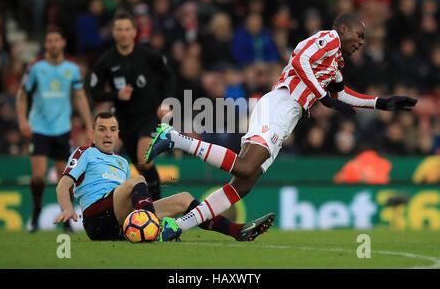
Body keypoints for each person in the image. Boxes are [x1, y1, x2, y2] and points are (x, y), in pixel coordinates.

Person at [145, 12, 418, 238]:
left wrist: (380, 103)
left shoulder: (336, 62)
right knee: (245, 167)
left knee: (244, 183)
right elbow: (300, 61)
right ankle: (175, 139)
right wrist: (322, 96)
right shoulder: (328, 39)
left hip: (287, 117)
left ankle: (178, 225)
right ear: (343, 28)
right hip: (280, 103)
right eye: (359, 35)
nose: (361, 42)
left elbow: (340, 93)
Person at [53, 111, 275, 242]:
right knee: (138, 180)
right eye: (101, 129)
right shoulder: (85, 152)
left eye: (112, 129)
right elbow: (63, 185)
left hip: (122, 220)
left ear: (118, 134)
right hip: (95, 219)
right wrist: (66, 207)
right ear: (92, 133)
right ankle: (153, 226)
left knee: (184, 198)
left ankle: (237, 231)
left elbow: (124, 198)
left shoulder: (121, 162)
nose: (107, 134)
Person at [89, 11, 175, 201]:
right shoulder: (106, 61)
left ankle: (158, 206)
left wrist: (167, 102)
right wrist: (115, 95)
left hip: (149, 117)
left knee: (144, 159)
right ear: (113, 32)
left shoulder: (148, 56)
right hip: (124, 121)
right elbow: (94, 91)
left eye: (127, 29)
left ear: (134, 32)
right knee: (141, 165)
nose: (123, 33)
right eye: (119, 29)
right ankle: (153, 207)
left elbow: (169, 75)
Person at [16, 27, 93, 233]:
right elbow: (22, 94)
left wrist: (88, 124)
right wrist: (23, 120)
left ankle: (66, 220)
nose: (53, 44)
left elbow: (80, 96)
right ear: (45, 45)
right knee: (39, 176)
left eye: (56, 40)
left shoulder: (72, 68)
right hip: (39, 128)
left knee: (63, 177)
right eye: (49, 41)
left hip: (62, 129)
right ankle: (36, 211)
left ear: (63, 43)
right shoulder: (35, 67)